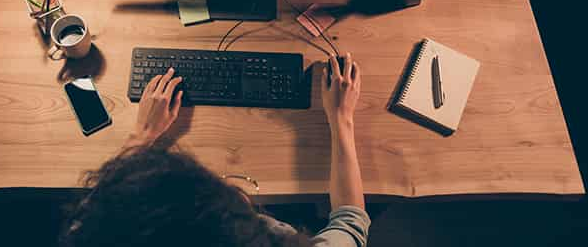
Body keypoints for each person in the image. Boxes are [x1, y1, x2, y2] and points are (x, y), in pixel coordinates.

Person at [61, 53, 368, 247]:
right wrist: (342, 118)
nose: (238, 194)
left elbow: (110, 204)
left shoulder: (95, 231)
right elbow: (350, 222)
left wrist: (142, 135)